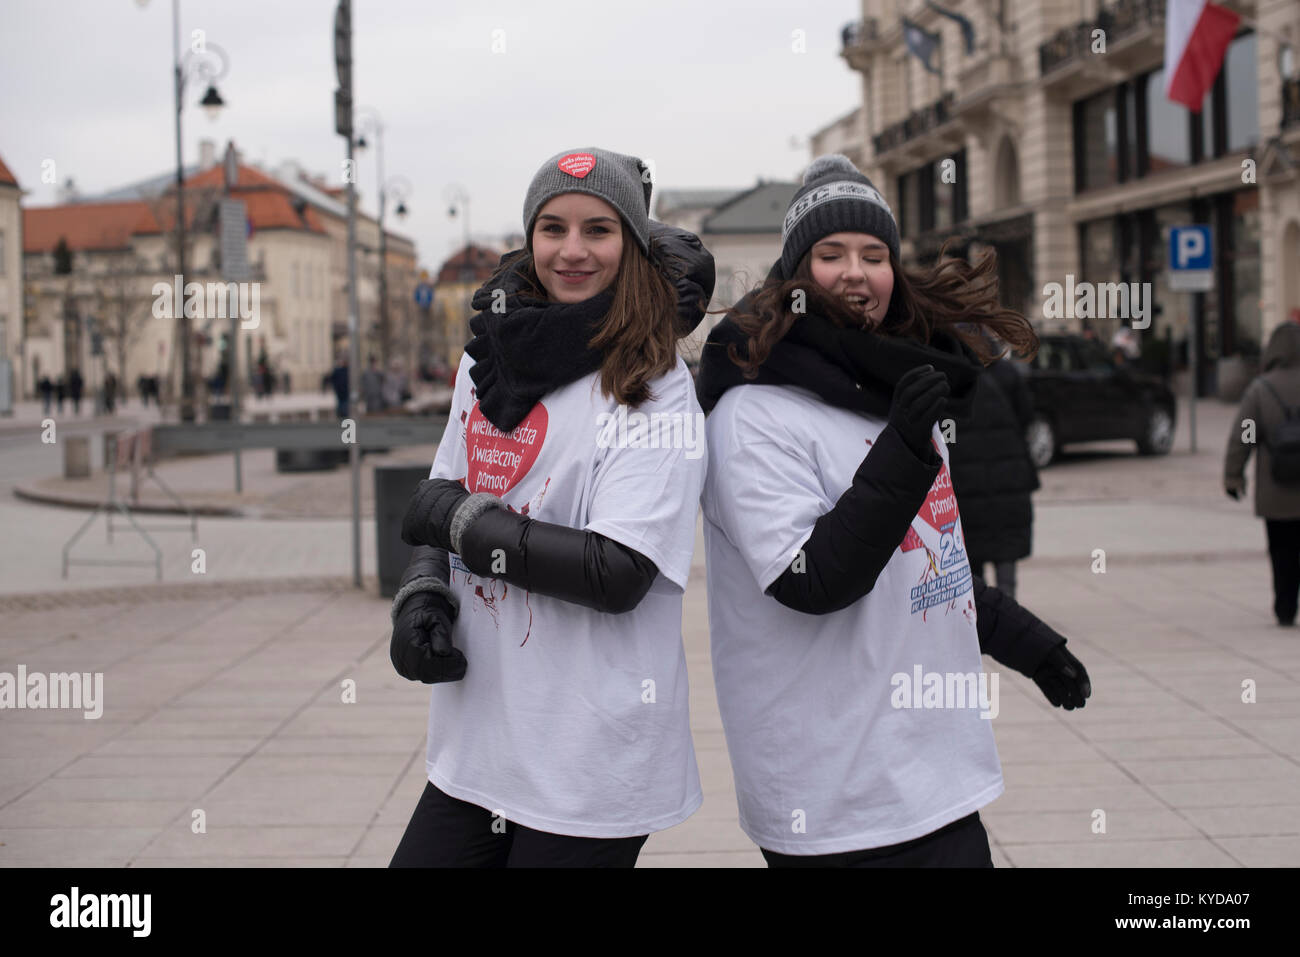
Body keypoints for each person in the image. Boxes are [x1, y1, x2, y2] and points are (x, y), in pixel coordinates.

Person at [696, 155, 1091, 867]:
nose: (856, 270)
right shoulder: (752, 416)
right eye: (831, 253)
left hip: (938, 775)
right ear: (794, 277)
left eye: (874, 254)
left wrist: (1026, 641)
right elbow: (812, 581)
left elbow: (921, 559)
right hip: (834, 794)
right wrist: (906, 448)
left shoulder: (888, 391)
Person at [388, 147, 716, 868]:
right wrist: (423, 591)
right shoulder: (489, 358)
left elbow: (618, 570)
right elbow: (446, 486)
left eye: (598, 230)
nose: (572, 250)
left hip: (588, 761)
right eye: (553, 228)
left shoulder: (652, 384)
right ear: (529, 237)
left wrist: (459, 524)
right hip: (479, 743)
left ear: (632, 244)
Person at [949, 345, 1039, 601]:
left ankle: (981, 626)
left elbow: (945, 432)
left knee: (973, 575)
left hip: (967, 488)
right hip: (1008, 483)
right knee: (1006, 564)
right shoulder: (1007, 373)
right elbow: (1027, 416)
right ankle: (1009, 622)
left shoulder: (950, 375)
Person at [1224, 321, 1300, 626]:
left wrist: (1234, 476)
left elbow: (1244, 436)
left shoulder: (1262, 389)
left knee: (1281, 551)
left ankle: (1285, 606)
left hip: (1275, 488)